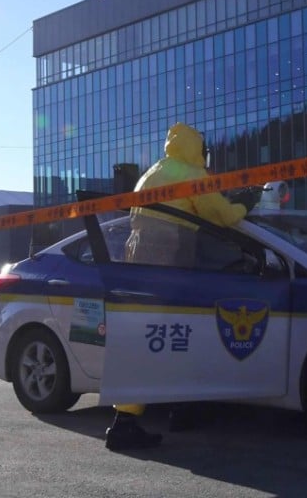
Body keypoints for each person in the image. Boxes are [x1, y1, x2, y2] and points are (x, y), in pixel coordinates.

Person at [108, 122, 259, 452]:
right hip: (168, 262)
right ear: (197, 149)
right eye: (204, 151)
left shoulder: (155, 171)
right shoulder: (191, 174)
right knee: (167, 337)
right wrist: (247, 202)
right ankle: (130, 423)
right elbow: (220, 215)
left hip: (139, 260)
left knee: (154, 339)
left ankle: (173, 410)